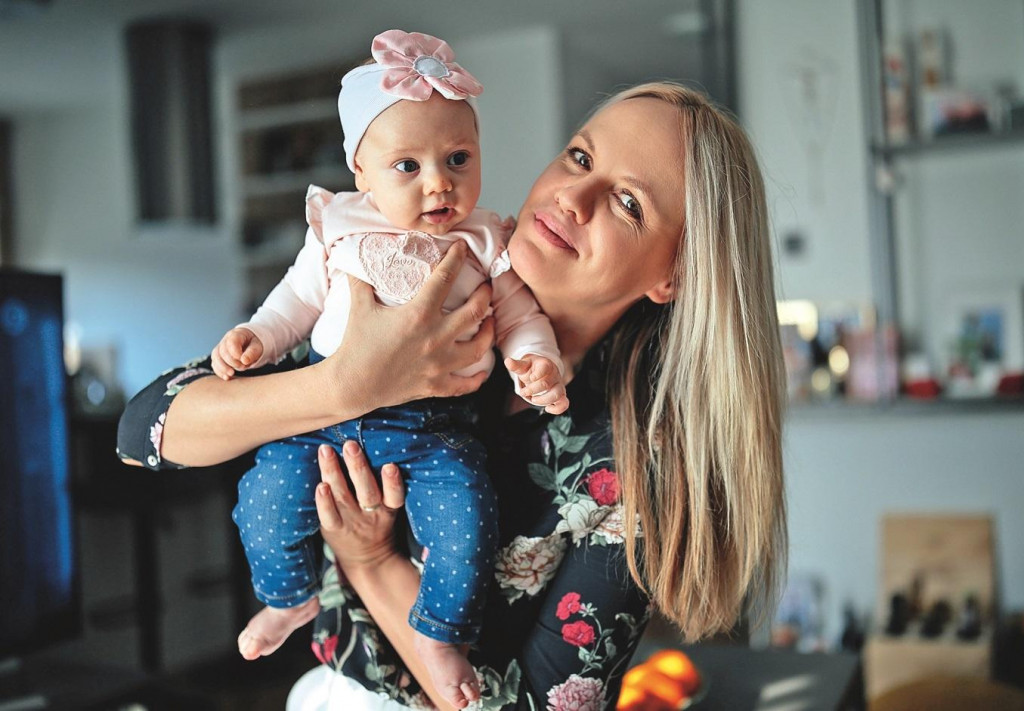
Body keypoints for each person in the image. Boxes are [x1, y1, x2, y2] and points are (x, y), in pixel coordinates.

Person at [118, 79, 788, 711]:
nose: (572, 197)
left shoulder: (635, 470)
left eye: (629, 203)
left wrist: (371, 561)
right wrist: (344, 384)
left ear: (673, 274)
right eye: (580, 157)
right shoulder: (418, 293)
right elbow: (143, 431)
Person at [207, 29, 567, 707]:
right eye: (408, 165)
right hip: (322, 418)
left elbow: (521, 315)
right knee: (265, 493)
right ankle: (288, 597)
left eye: (458, 158)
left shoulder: (485, 239)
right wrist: (258, 335)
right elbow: (296, 300)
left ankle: (439, 634)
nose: (439, 182)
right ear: (361, 173)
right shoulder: (338, 225)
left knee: (466, 517)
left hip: (432, 430)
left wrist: (535, 361)